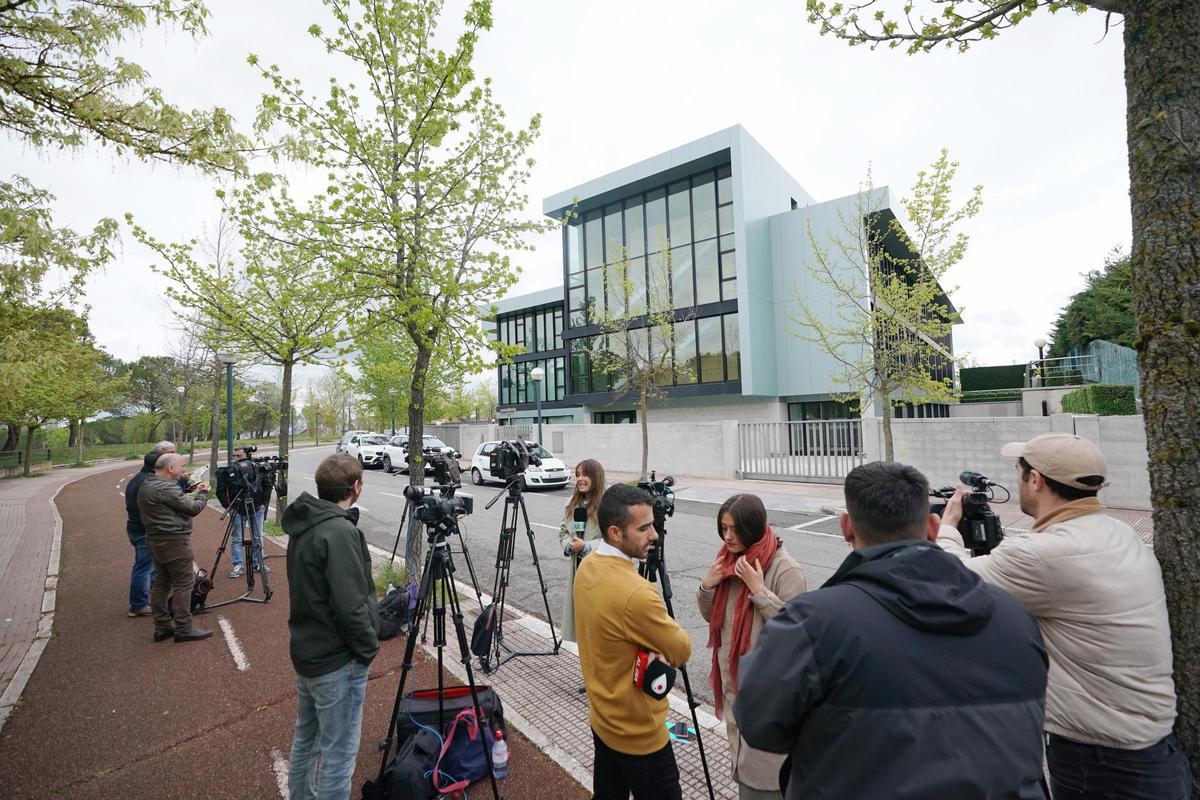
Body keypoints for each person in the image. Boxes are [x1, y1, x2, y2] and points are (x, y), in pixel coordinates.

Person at [736, 461, 1048, 799]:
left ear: (845, 526)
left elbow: (759, 726)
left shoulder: (811, 623)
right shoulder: (1015, 616)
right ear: (932, 527)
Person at [939, 432, 1193, 799]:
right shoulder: (1120, 533)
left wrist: (948, 527)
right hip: (1152, 748)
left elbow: (951, 583)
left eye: (1019, 470)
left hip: (1102, 761)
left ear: (1036, 480)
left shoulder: (1046, 553)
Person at [573, 484, 692, 800]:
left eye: (653, 524)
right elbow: (681, 649)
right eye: (644, 528)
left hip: (603, 719)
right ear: (614, 532)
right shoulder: (637, 593)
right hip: (640, 736)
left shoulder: (587, 566)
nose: (654, 535)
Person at [697, 494, 806, 800]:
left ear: (752, 527)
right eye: (723, 528)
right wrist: (707, 585)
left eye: (734, 529)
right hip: (736, 689)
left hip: (768, 699)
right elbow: (713, 617)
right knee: (743, 769)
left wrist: (759, 592)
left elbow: (799, 634)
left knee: (765, 783)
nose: (727, 536)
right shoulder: (728, 562)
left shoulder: (785, 570)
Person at [283, 453, 379, 800]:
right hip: (337, 661)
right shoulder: (338, 532)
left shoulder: (306, 524)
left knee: (306, 742)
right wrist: (368, 648)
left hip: (308, 651)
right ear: (355, 487)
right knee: (338, 755)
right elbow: (351, 605)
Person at [137, 452, 212, 643]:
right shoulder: (166, 487)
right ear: (170, 468)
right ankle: (184, 628)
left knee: (162, 583)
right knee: (184, 582)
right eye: (182, 466)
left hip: (156, 539)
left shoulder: (148, 483)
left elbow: (173, 504)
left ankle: (162, 626)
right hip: (174, 540)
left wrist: (189, 494)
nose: (183, 470)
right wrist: (204, 493)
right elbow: (192, 509)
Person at [557, 458, 606, 643]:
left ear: (596, 477)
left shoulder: (607, 506)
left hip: (599, 573)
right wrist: (568, 545)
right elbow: (562, 532)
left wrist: (586, 546)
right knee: (581, 623)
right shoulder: (572, 504)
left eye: (585, 474)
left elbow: (615, 541)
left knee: (598, 626)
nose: (580, 479)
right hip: (578, 571)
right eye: (577, 475)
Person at [123, 449, 164, 617]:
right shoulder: (149, 482)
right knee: (143, 567)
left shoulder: (138, 478)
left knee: (148, 564)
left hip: (135, 527)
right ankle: (138, 604)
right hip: (144, 529)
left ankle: (153, 591)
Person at [227, 445, 271, 578]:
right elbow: (222, 490)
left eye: (239, 456)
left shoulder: (258, 468)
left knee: (257, 537)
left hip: (257, 508)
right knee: (237, 538)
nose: (235, 459)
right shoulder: (231, 471)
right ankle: (238, 565)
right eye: (234, 456)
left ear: (247, 455)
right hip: (238, 509)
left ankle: (257, 562)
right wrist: (229, 506)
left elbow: (267, 486)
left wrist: (264, 503)